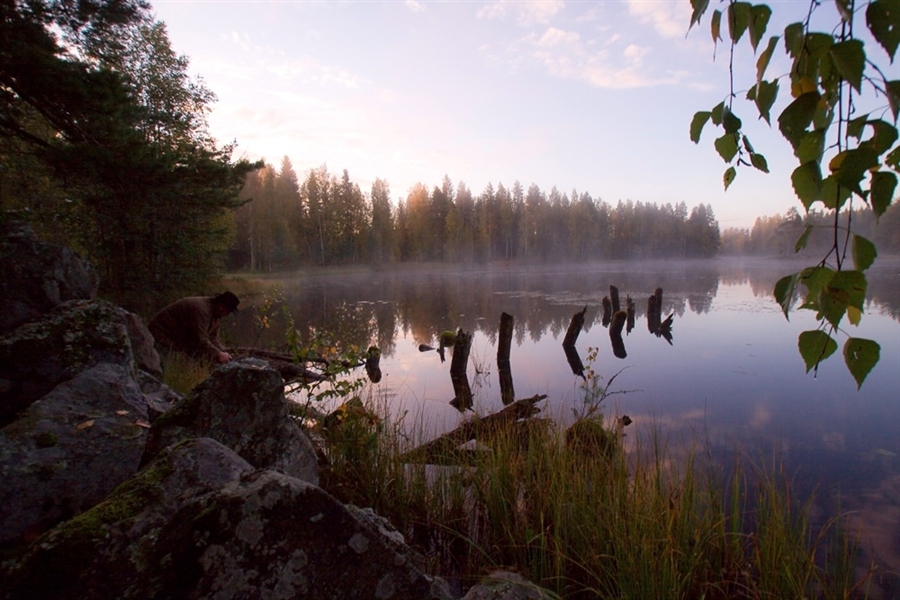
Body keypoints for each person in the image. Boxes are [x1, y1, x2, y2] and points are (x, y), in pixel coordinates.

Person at [148, 291, 240, 364]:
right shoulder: (201, 310)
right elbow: (200, 339)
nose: (227, 314)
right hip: (161, 334)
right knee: (183, 361)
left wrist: (223, 351)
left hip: (176, 337)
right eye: (228, 311)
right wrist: (218, 354)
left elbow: (212, 337)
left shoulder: (215, 314)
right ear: (221, 307)